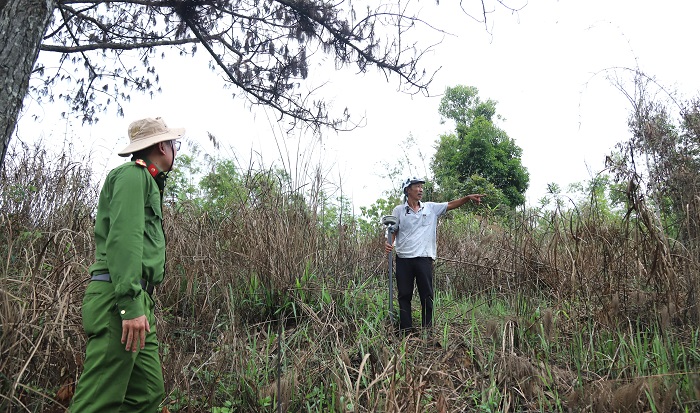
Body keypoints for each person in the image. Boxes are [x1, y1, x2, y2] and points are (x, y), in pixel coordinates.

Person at [70, 117, 184, 412]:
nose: (175, 149)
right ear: (162, 145)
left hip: (137, 298)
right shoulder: (133, 177)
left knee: (146, 393)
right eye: (174, 144)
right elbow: (124, 241)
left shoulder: (148, 180)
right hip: (119, 298)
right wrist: (130, 305)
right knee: (98, 400)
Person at [384, 177, 484, 335]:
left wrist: (467, 198)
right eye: (417, 186)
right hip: (403, 259)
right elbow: (393, 230)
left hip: (424, 258)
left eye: (421, 187)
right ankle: (406, 330)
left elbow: (450, 205)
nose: (420, 189)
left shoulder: (430, 208)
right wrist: (389, 243)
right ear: (408, 190)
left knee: (427, 294)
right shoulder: (399, 210)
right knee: (404, 294)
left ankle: (427, 330)